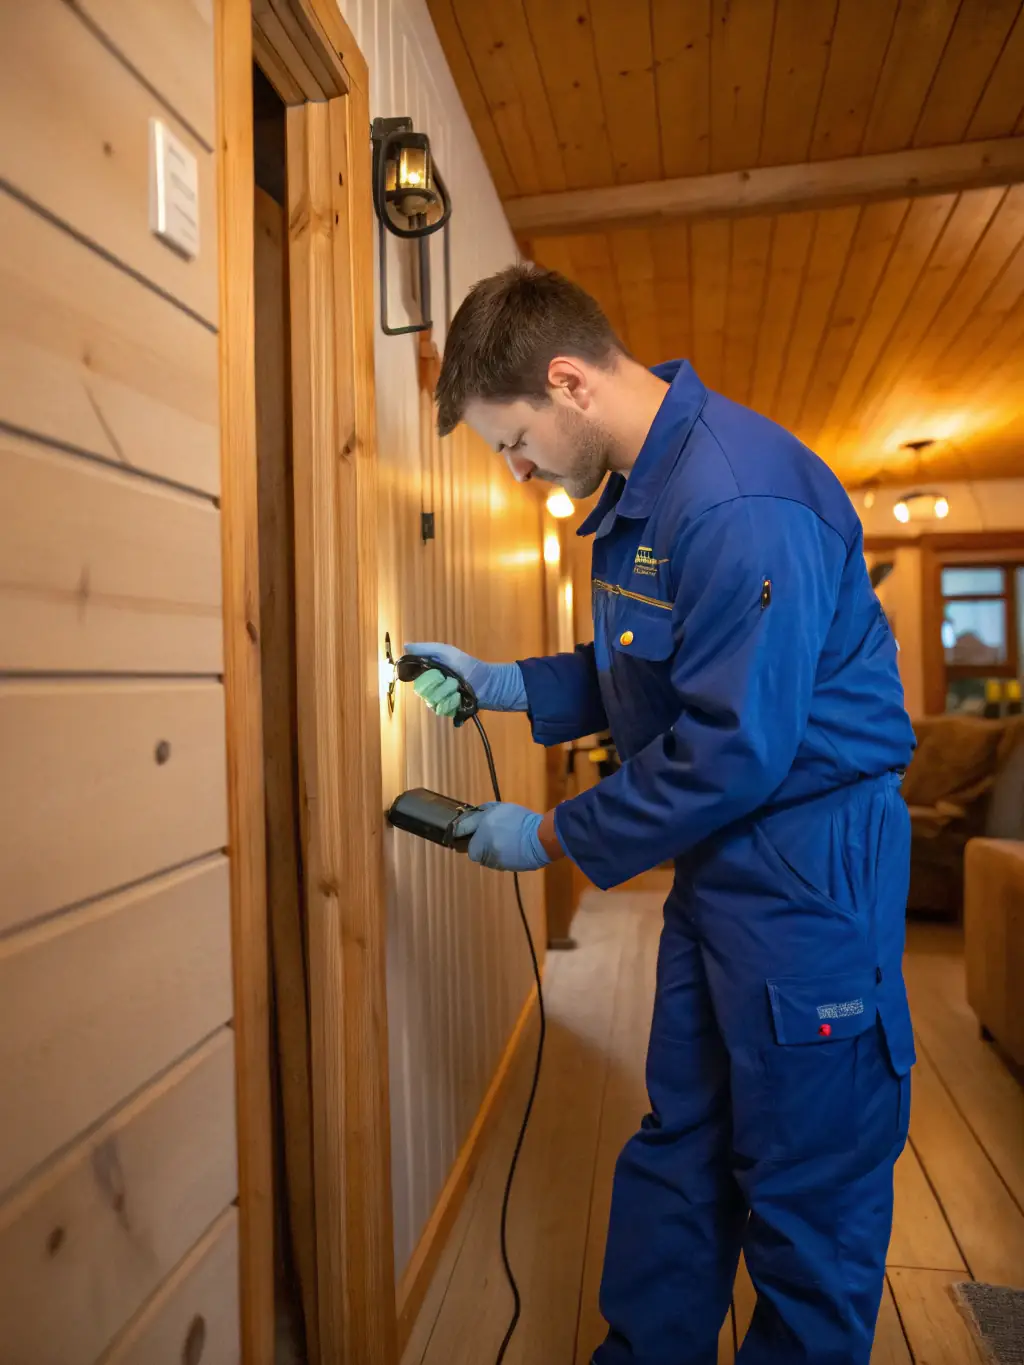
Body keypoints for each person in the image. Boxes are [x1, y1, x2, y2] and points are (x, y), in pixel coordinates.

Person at [405, 264, 916, 1365]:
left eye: (512, 441)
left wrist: (546, 836)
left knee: (806, 1176)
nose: (517, 467)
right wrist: (504, 684)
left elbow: (734, 745)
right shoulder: (644, 494)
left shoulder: (737, 501)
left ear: (566, 382)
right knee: (682, 1133)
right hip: (723, 861)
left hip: (808, 860)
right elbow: (646, 670)